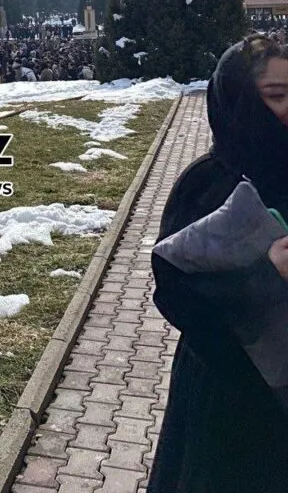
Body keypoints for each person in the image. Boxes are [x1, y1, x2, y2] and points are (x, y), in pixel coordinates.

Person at [148, 34, 288, 492]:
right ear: (237, 100)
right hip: (229, 406)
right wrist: (264, 275)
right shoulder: (207, 184)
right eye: (276, 96)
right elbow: (176, 293)